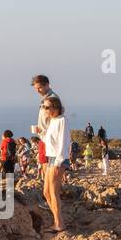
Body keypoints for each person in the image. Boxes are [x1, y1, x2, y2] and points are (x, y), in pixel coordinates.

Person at [40, 95, 70, 232]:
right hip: (51, 158)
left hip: (58, 159)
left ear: (56, 107)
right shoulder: (52, 121)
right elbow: (49, 142)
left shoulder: (61, 120)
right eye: (43, 107)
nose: (45, 109)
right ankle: (58, 221)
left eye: (47, 107)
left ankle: (59, 224)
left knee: (53, 192)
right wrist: (41, 133)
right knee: (46, 192)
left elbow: (64, 142)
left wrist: (58, 162)